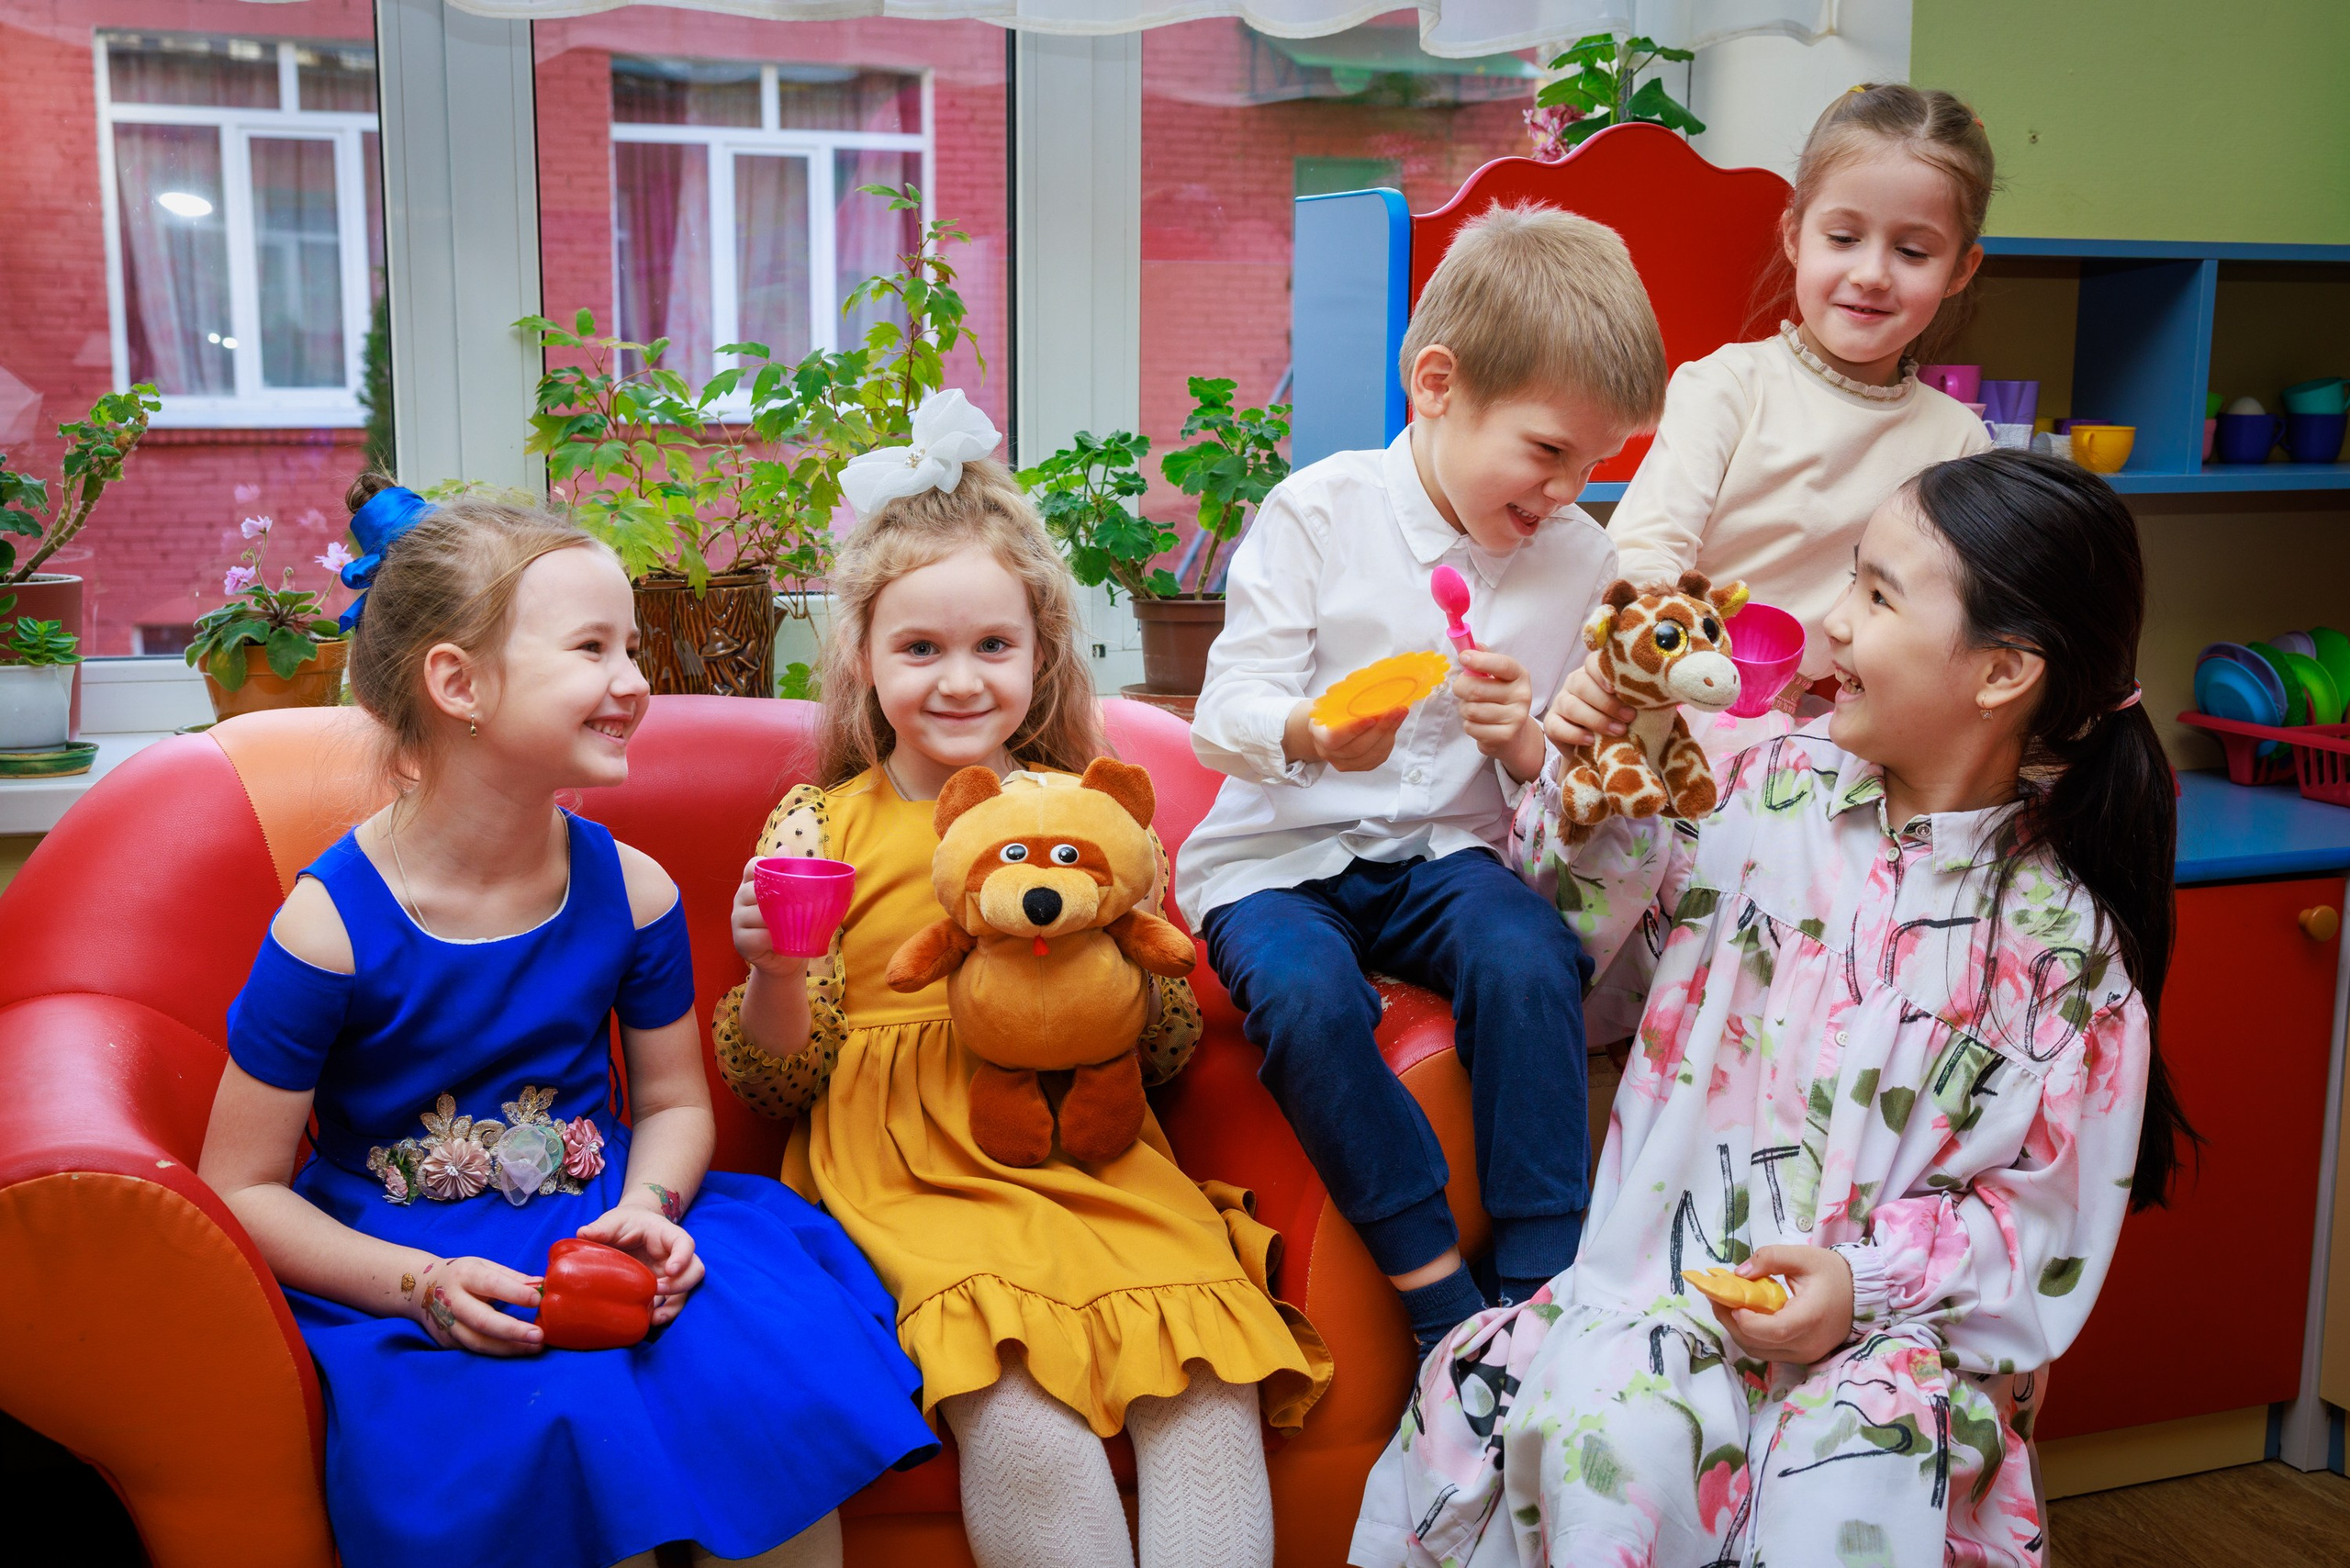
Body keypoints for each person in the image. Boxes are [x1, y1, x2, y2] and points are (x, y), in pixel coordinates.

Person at [1351, 450, 2196, 1568]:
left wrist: (1862, 1284)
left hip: (1894, 1365)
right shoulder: (1761, 788)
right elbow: (1589, 950)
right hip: (1659, 1303)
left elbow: (2037, 1229)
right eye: (1851, 579)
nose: (1832, 625)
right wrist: (1606, 788)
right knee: (1603, 1434)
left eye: (1879, 596)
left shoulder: (2063, 952)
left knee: (1846, 1493)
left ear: (2000, 672)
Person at [197, 482, 937, 1568]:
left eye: (631, 645)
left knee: (765, 1417)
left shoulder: (630, 891)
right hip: (417, 1265)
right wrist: (419, 1286)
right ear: (458, 683)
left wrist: (651, 1207)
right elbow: (238, 1185)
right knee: (556, 1437)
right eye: (592, 648)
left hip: (603, 1221)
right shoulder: (329, 926)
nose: (635, 682)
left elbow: (679, 1102)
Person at [711, 390, 1329, 1568]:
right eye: (920, 649)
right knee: (1017, 1414)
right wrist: (775, 970)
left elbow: (1162, 1057)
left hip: (1094, 1152)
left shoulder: (1087, 812)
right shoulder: (819, 822)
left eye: (992, 646)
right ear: (861, 656)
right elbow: (774, 1084)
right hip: (911, 1171)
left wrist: (1128, 949)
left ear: (1043, 650)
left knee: (1207, 1388)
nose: (958, 681)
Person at [1178, 205, 1669, 1357]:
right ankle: (1436, 1287)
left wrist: (1523, 742)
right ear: (1438, 383)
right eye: (1549, 452)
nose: (1567, 489)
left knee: (1529, 951)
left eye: (1595, 465)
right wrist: (1309, 731)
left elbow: (1568, 768)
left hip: (1447, 855)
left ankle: (1541, 1271)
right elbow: (1219, 719)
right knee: (1304, 999)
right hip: (1280, 859)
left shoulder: (1578, 559)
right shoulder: (1318, 512)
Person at [1566, 83, 1998, 758]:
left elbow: (1948, 618)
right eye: (1845, 237)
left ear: (1960, 269)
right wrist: (1684, 666)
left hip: (1847, 738)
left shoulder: (1960, 441)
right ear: (1796, 235)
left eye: (1913, 252)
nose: (1873, 274)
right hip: (1685, 708)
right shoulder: (1727, 386)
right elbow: (1645, 553)